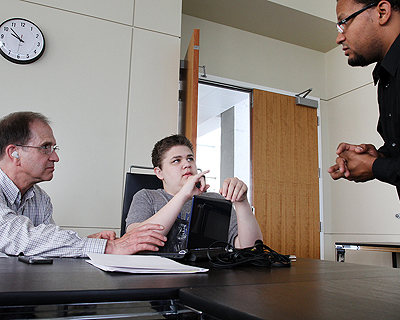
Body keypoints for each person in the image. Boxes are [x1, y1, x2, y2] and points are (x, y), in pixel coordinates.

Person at [0, 111, 166, 257]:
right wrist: (108, 247)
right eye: (45, 147)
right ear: (14, 153)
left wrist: (86, 243)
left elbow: (46, 246)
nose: (55, 157)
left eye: (54, 148)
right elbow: (18, 236)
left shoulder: (40, 199)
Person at [125, 134, 262, 252]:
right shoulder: (147, 197)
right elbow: (134, 242)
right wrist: (183, 195)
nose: (187, 164)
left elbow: (251, 249)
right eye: (176, 160)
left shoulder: (215, 199)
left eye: (190, 158)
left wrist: (241, 202)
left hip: (211, 277)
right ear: (159, 172)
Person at [328, 0, 400, 199]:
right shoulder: (386, 76)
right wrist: (378, 157)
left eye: (344, 22)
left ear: (382, 12)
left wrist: (375, 166)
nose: (339, 37)